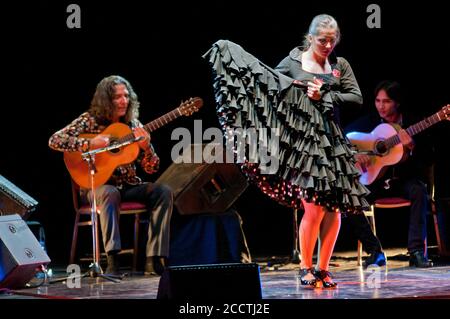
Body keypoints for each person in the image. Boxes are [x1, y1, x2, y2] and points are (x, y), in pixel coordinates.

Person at [274, 14, 368, 287]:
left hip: (333, 142)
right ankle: (305, 267)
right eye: (322, 40)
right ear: (310, 37)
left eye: (332, 40)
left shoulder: (340, 65)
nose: (327, 45)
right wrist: (298, 95)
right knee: (313, 207)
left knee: (334, 208)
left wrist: (326, 93)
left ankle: (323, 268)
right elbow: (272, 86)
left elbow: (356, 97)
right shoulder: (293, 62)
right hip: (304, 143)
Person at [49, 75, 173, 276]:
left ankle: (154, 259)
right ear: (106, 100)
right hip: (95, 187)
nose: (124, 101)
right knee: (109, 193)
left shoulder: (133, 125)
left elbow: (152, 168)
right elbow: (55, 140)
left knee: (162, 191)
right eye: (117, 97)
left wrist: (147, 147)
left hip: (128, 186)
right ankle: (112, 260)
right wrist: (91, 144)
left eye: (126, 96)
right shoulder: (89, 121)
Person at [345, 80, 433, 268]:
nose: (381, 106)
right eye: (377, 101)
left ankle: (416, 252)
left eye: (386, 101)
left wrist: (412, 146)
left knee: (419, 191)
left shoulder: (412, 124)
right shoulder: (370, 122)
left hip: (404, 181)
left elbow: (429, 158)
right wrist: (355, 154)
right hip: (376, 181)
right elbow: (343, 137)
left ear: (397, 103)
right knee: (350, 200)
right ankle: (375, 251)